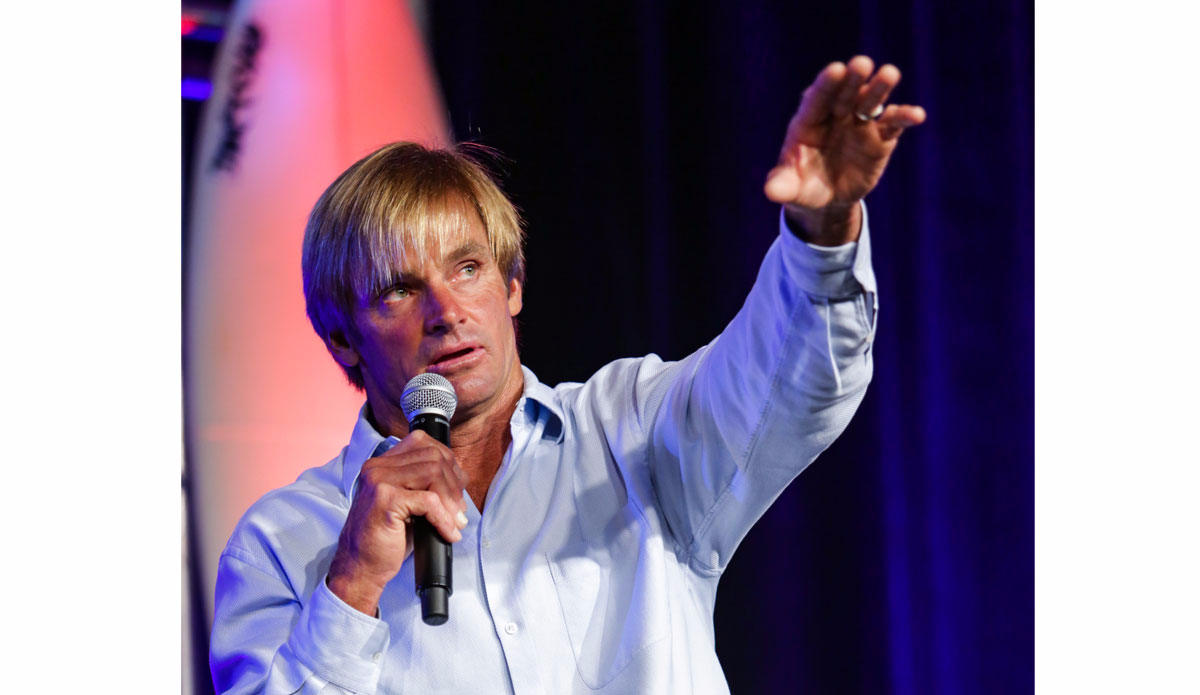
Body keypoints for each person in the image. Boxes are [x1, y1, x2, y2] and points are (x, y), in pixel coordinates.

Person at [209, 56, 926, 694]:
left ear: (512, 287)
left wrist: (822, 230)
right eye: (398, 288)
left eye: (467, 267)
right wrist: (354, 583)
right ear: (341, 338)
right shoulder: (284, 542)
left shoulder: (631, 431)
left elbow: (786, 383)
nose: (446, 310)